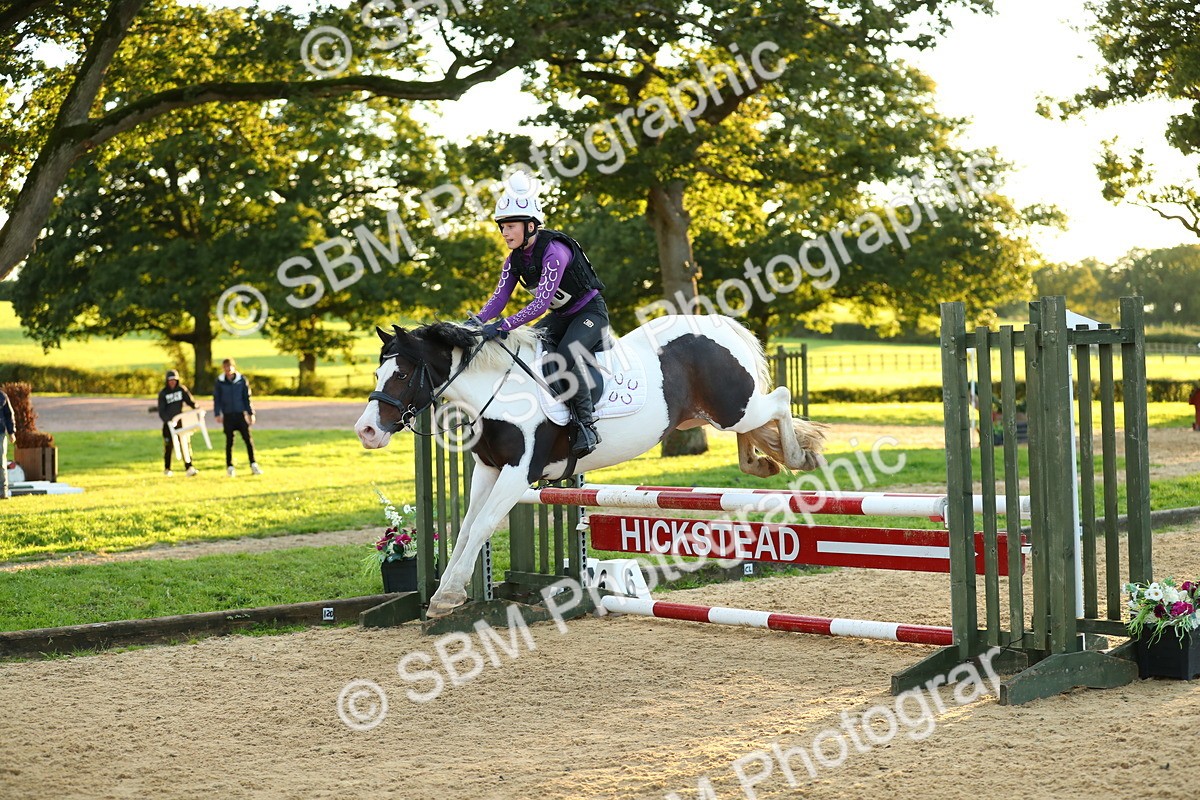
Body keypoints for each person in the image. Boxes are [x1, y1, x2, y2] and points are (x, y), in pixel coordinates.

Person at [473, 171, 608, 458]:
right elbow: (499, 299)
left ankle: (586, 425)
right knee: (530, 351)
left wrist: (504, 326)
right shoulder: (514, 260)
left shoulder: (554, 252)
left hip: (589, 313)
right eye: (502, 228)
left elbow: (540, 305)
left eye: (510, 226)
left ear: (531, 226)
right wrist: (476, 322)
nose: (505, 233)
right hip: (560, 318)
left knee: (568, 354)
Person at [214, 358, 262, 477]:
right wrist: (217, 413)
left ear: (233, 367)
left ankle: (253, 464)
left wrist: (251, 413)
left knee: (248, 440)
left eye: (229, 367)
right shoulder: (220, 382)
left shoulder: (241, 380)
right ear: (223, 368)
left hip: (240, 414)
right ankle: (230, 467)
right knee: (229, 441)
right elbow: (217, 399)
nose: (228, 370)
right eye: (225, 367)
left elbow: (247, 398)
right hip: (228, 415)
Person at [157, 369, 199, 477]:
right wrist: (168, 421)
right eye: (170, 380)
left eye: (174, 380)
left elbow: (190, 401)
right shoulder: (163, 393)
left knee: (185, 444)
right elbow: (161, 411)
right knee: (168, 446)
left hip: (180, 422)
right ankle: (167, 469)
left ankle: (189, 467)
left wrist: (197, 408)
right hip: (168, 424)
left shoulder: (181, 390)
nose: (172, 382)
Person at [1, 388, 15, 500]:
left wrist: (11, 432)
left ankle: (3, 492)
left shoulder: (2, 396)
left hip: (0, 433)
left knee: (1, 463)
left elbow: (9, 415)